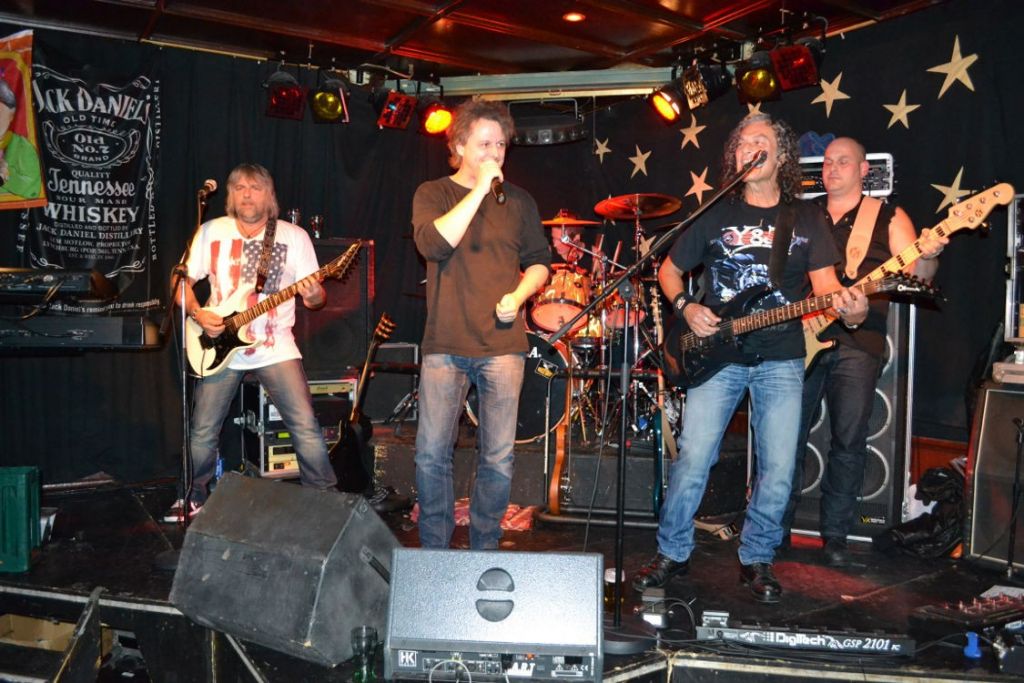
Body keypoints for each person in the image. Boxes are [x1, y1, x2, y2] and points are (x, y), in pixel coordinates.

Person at [632, 113, 868, 604]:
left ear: (781, 156)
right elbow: (669, 271)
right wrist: (686, 307)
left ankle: (757, 557)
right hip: (716, 353)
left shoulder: (806, 218)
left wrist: (854, 308)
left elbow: (828, 289)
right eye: (742, 143)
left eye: (760, 141)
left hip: (781, 357)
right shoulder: (716, 211)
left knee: (778, 467)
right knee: (694, 456)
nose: (749, 148)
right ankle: (672, 552)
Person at [781, 137, 947, 566]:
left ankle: (835, 536)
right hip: (799, 336)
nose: (832, 168)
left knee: (849, 441)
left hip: (859, 341)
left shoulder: (887, 214)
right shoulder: (802, 213)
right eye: (827, 162)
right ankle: (774, 529)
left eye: (843, 161)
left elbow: (919, 274)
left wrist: (930, 254)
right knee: (786, 438)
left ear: (863, 170)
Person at [411, 99, 551, 550]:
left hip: (503, 346)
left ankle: (483, 548)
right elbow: (434, 245)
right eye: (484, 144)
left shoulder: (520, 202)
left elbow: (540, 262)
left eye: (500, 145)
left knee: (498, 457)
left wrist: (518, 296)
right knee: (432, 454)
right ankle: (434, 551)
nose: (495, 153)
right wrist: (478, 191)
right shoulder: (433, 193)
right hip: (445, 344)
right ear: (458, 146)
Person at [163, 163, 337, 521]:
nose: (246, 194)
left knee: (304, 424)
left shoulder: (293, 236)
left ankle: (324, 499)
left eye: (255, 188)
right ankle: (192, 495)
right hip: (218, 344)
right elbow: (180, 282)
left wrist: (314, 293)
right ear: (230, 195)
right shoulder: (210, 230)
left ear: (269, 195)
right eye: (239, 187)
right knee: (202, 430)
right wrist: (198, 314)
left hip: (275, 345)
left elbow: (316, 300)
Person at [0, 76, 42, 200]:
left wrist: (6, 175)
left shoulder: (21, 146)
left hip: (10, 209)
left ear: (11, 116)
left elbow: (33, 190)